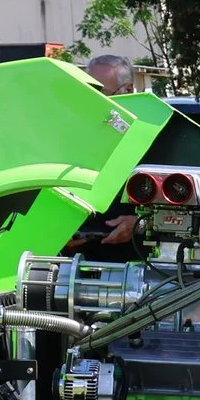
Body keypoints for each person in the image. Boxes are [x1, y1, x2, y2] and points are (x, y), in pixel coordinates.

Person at [66, 54, 143, 257]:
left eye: (101, 93)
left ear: (128, 90)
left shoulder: (155, 136)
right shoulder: (71, 133)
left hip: (137, 262)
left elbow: (181, 208)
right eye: (88, 92)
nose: (93, 101)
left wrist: (139, 224)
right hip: (77, 262)